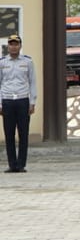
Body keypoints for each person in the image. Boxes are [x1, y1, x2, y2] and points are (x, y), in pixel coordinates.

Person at [1, 34, 36, 172]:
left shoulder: (27, 62)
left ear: (20, 46)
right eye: (11, 44)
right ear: (8, 46)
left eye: (16, 44)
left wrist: (32, 101)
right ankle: (11, 164)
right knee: (9, 134)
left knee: (23, 134)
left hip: (22, 100)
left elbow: (32, 82)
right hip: (7, 100)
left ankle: (21, 164)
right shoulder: (2, 62)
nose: (13, 46)